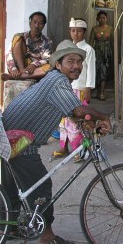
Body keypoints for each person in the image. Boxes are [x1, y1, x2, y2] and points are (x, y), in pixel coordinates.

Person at [1, 40, 111, 244]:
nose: (76, 66)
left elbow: (73, 112)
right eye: (70, 61)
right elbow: (78, 111)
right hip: (20, 141)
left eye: (79, 62)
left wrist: (88, 122)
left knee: (12, 186)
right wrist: (103, 116)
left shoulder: (56, 80)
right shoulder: (57, 81)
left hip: (11, 135)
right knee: (42, 186)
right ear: (58, 65)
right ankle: (47, 237)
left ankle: (10, 227)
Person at [52, 18, 96, 160]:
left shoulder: (88, 49)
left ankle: (78, 150)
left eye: (78, 31)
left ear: (84, 32)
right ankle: (63, 147)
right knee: (63, 120)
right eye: (72, 30)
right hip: (66, 88)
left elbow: (91, 70)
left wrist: (88, 87)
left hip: (80, 88)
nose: (75, 33)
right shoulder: (66, 48)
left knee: (76, 120)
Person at [2, 11, 54, 81]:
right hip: (20, 67)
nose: (37, 26)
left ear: (44, 25)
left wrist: (34, 64)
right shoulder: (21, 37)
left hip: (35, 70)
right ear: (30, 24)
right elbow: (9, 53)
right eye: (34, 22)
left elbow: (47, 59)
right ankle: (21, 72)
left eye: (40, 23)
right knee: (18, 37)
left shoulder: (47, 41)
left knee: (50, 67)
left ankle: (21, 76)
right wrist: (13, 69)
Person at [89, 11, 113, 100]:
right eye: (100, 18)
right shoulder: (94, 29)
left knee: (104, 71)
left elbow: (113, 43)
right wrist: (89, 55)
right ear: (97, 19)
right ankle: (97, 91)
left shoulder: (110, 28)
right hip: (97, 53)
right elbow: (91, 43)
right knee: (96, 72)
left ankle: (102, 92)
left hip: (107, 53)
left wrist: (115, 56)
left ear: (106, 19)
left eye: (104, 18)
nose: (102, 19)